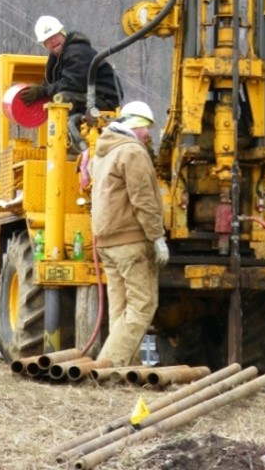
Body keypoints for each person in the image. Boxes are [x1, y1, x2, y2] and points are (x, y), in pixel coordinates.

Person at [89, 101, 169, 367]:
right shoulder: (132, 152)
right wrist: (157, 237)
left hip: (107, 242)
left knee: (120, 309)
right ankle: (108, 366)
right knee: (143, 305)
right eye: (146, 127)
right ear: (134, 124)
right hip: (130, 240)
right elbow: (143, 199)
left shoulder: (103, 151)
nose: (148, 134)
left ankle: (127, 368)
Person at [20, 15, 122, 114]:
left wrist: (42, 91)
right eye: (48, 39)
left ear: (63, 34)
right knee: (59, 97)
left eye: (55, 36)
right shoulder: (57, 58)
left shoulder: (77, 52)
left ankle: (67, 130)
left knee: (62, 98)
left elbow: (72, 84)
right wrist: (38, 90)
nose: (53, 41)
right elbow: (53, 83)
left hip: (106, 99)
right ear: (45, 45)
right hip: (89, 97)